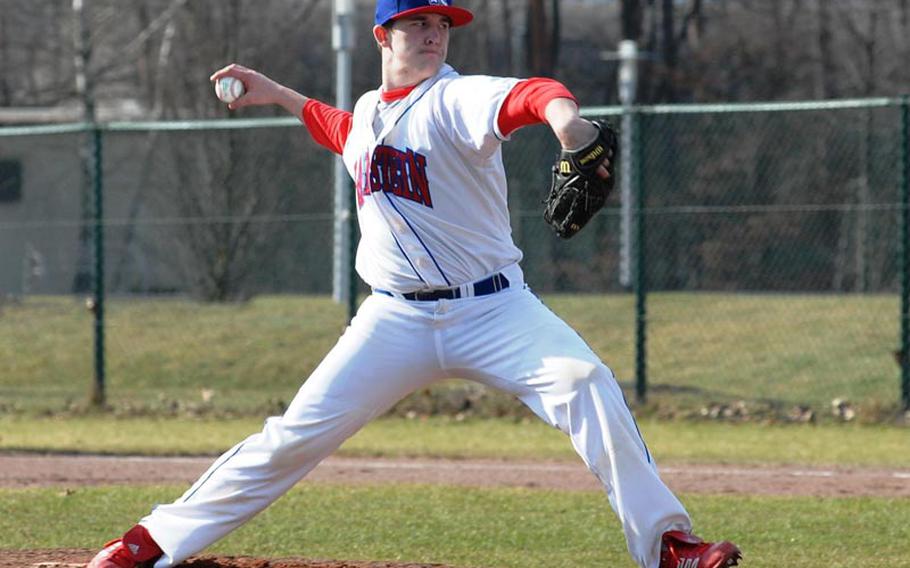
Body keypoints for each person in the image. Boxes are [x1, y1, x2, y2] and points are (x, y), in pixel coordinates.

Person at [88, 1, 742, 567]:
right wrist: (277, 93)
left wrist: (569, 126)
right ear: (382, 35)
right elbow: (338, 129)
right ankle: (150, 541)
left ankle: (668, 546)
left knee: (587, 383)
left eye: (440, 23)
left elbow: (534, 93)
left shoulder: (456, 97)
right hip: (393, 321)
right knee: (292, 436)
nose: (432, 34)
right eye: (415, 23)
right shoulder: (370, 111)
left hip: (495, 310)